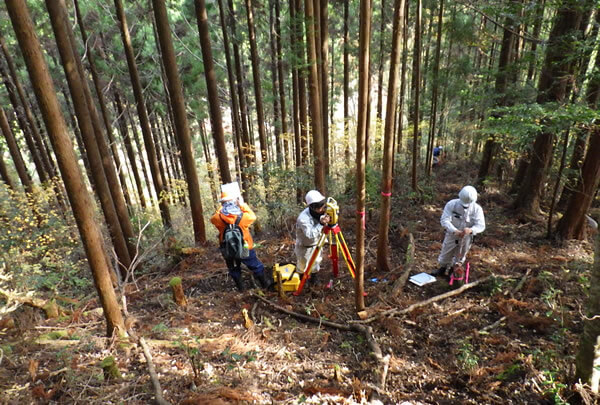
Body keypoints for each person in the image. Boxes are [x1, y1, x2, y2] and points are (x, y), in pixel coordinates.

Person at [210, 191, 271, 291]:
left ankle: (241, 289)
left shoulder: (218, 218)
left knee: (233, 268)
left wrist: (220, 208)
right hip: (245, 247)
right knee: (254, 265)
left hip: (228, 249)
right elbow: (253, 216)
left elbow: (213, 218)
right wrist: (242, 205)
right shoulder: (243, 217)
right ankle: (265, 284)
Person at [432, 185, 485, 278]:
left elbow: (481, 225)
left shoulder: (477, 209)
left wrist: (471, 230)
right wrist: (454, 230)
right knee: (446, 251)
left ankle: (453, 271)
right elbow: (444, 220)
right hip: (452, 234)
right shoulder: (451, 204)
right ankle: (442, 269)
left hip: (467, 237)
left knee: (461, 255)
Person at [295, 190, 331, 284]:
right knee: (302, 266)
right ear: (312, 206)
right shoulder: (303, 218)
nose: (321, 209)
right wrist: (321, 224)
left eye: (322, 205)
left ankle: (314, 279)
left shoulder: (319, 212)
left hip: (317, 244)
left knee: (316, 263)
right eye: (319, 207)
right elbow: (310, 235)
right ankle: (302, 282)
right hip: (304, 247)